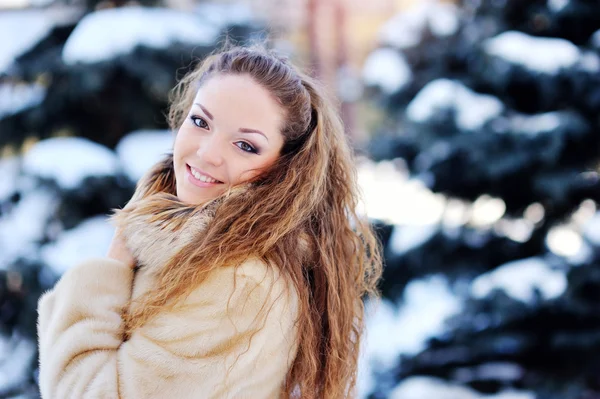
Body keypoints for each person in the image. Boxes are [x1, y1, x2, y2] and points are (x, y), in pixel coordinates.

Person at [37, 45, 382, 399]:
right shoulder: (186, 242)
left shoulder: (236, 283)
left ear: (285, 167)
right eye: (201, 122)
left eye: (245, 145)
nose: (207, 153)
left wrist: (111, 268)